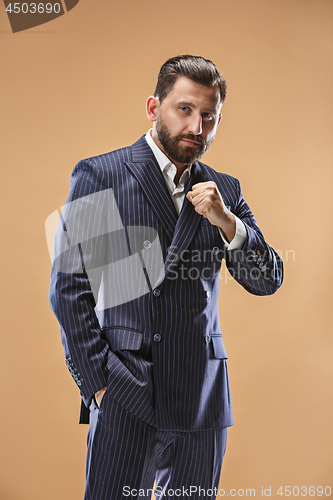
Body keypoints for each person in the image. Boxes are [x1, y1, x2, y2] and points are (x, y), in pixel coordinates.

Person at [49, 55, 283, 499]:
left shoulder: (224, 190)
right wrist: (98, 385)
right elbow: (68, 289)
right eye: (185, 109)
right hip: (126, 388)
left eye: (209, 115)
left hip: (201, 394)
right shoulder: (103, 174)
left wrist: (227, 222)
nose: (198, 127)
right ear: (154, 109)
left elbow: (267, 278)